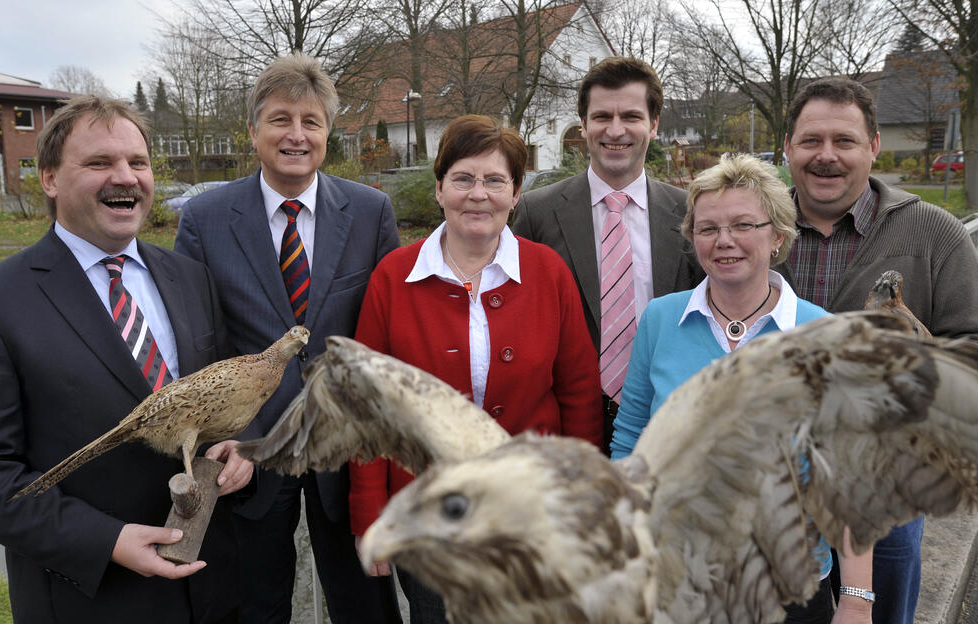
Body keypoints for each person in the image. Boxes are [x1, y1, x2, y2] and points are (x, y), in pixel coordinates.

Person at [0, 95, 248, 623]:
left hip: (210, 590)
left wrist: (238, 449)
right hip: (91, 598)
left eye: (138, 162)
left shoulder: (190, 278)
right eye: (99, 162)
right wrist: (108, 541)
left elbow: (211, 407)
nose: (125, 177)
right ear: (50, 179)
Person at [174, 53, 402, 624]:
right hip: (247, 453)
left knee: (363, 604)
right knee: (254, 605)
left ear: (328, 134)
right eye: (280, 120)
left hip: (345, 449)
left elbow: (386, 332)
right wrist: (240, 435)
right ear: (253, 131)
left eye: (311, 122)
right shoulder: (205, 218)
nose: (295, 135)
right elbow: (198, 340)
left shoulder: (372, 212)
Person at [351, 114, 603, 623]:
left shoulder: (548, 272)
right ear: (440, 188)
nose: (478, 194)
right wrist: (369, 513)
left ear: (515, 194)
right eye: (464, 178)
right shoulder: (393, 277)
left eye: (495, 180)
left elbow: (578, 394)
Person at [610, 153, 874, 623]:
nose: (724, 241)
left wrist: (855, 600)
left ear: (776, 235)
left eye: (742, 225)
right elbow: (631, 440)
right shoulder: (660, 320)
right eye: (708, 228)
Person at [781, 77, 978, 624]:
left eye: (844, 141)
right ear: (787, 148)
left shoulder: (935, 234)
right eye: (810, 140)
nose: (826, 156)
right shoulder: (751, 229)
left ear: (873, 148)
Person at [512, 57, 704, 451]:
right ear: (583, 124)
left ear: (653, 124)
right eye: (601, 116)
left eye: (631, 116)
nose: (615, 131)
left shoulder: (693, 213)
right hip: (566, 429)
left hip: (669, 423)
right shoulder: (536, 212)